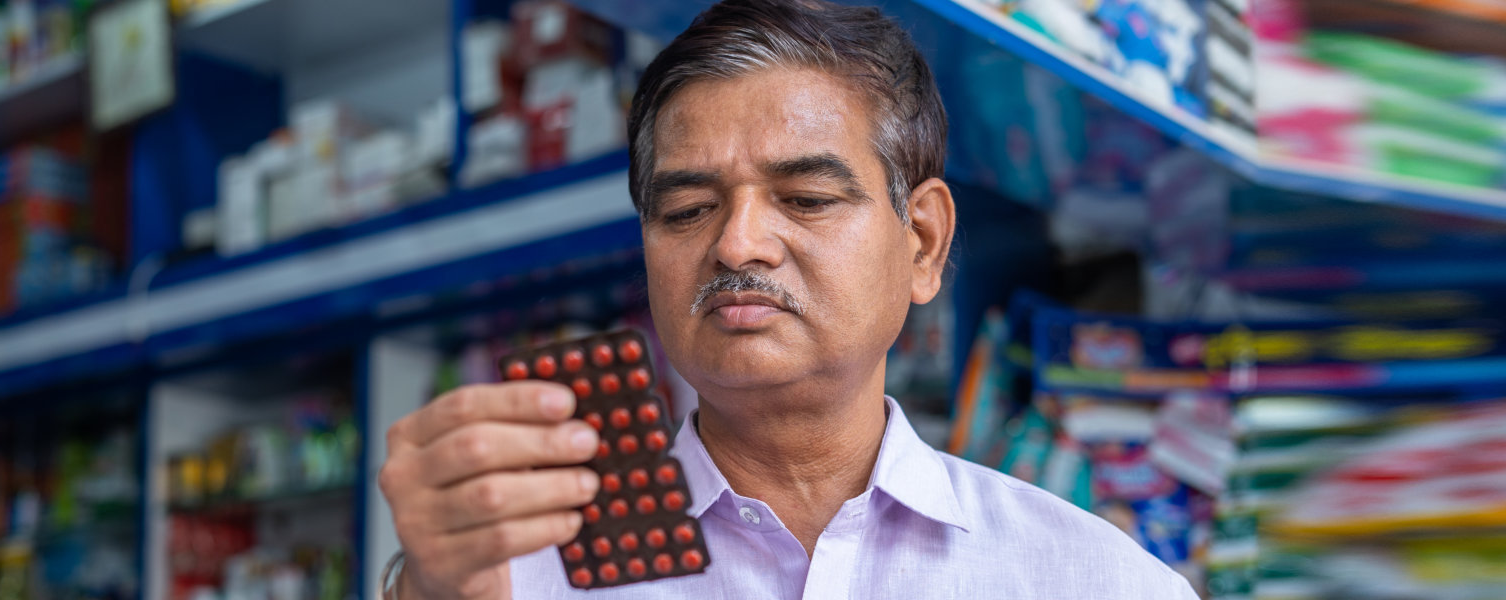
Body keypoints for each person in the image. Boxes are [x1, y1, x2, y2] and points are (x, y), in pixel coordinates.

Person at [376, 0, 1199, 597]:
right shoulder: (514, 574)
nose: (736, 244)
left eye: (805, 198)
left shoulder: (1095, 581)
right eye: (687, 211)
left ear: (923, 242)